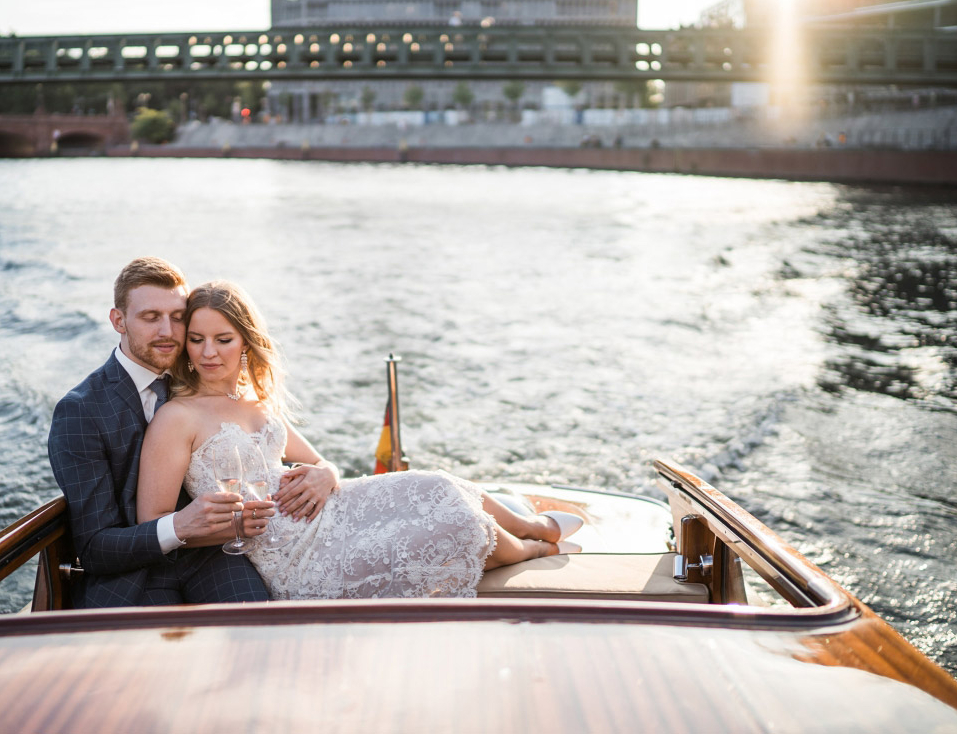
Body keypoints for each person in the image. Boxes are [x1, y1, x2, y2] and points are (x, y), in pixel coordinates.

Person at [137, 280, 583, 600]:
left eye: (222, 339)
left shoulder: (255, 403)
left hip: (328, 511)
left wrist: (325, 476)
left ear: (247, 344)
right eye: (196, 340)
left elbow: (320, 462)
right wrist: (225, 527)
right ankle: (533, 549)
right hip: (287, 554)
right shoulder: (177, 418)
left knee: (438, 486)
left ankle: (533, 526)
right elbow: (152, 524)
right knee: (455, 526)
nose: (208, 352)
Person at [48, 258, 270, 607]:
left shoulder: (203, 370)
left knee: (255, 623)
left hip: (210, 555)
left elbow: (258, 425)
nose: (168, 331)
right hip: (132, 575)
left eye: (177, 317)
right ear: (118, 320)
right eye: (151, 317)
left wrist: (320, 471)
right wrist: (180, 526)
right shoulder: (80, 410)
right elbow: (93, 548)